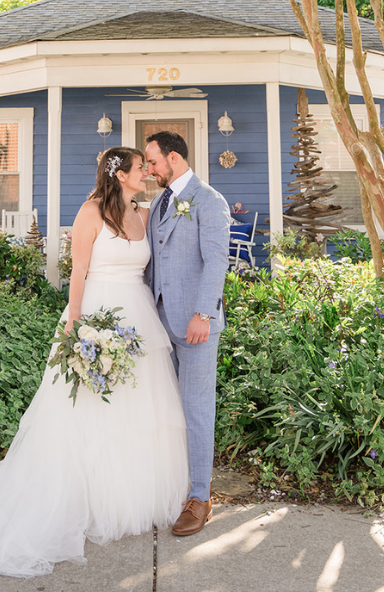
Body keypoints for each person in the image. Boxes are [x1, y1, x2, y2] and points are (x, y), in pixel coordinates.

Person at [0, 147, 188, 579]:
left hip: (139, 318)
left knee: (140, 404)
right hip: (97, 314)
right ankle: (86, 500)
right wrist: (76, 329)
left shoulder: (144, 211)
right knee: (89, 410)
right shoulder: (91, 212)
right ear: (119, 175)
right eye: (139, 169)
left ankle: (130, 495)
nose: (146, 174)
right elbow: (77, 271)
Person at [143, 129, 231, 537]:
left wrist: (203, 314)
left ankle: (200, 497)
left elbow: (216, 262)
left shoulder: (209, 200)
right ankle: (175, 485)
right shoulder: (160, 201)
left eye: (153, 162)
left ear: (174, 158)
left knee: (196, 409)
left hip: (196, 326)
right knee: (167, 409)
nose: (149, 169)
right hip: (160, 322)